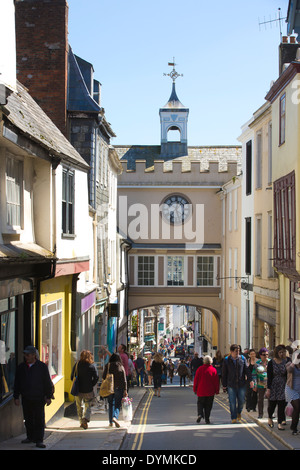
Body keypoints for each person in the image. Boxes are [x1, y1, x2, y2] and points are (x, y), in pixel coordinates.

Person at [13, 346, 53, 448]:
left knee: (39, 419)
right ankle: (30, 436)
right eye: (25, 355)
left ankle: (39, 439)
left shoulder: (42, 367)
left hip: (39, 397)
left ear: (34, 355)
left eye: (28, 355)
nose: (26, 357)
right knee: (28, 418)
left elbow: (47, 382)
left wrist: (48, 396)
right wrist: (16, 396)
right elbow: (17, 382)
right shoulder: (21, 367)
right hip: (26, 397)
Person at [222, 344, 254, 423]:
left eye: (239, 350)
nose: (238, 352)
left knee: (241, 401)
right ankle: (233, 417)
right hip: (231, 385)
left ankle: (239, 412)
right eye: (236, 351)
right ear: (231, 352)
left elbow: (247, 370)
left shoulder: (242, 359)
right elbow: (224, 373)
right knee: (232, 402)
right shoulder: (227, 360)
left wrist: (250, 380)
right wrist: (224, 385)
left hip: (241, 384)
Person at [71, 349, 99, 430]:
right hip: (88, 389)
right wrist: (92, 384)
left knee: (79, 406)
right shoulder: (92, 366)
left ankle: (81, 421)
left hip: (78, 389)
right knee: (88, 405)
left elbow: (72, 376)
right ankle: (85, 419)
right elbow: (96, 377)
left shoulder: (77, 364)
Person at [265, 344, 287, 430]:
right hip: (274, 385)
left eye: (283, 352)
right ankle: (270, 417)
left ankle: (279, 423)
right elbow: (269, 376)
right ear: (276, 353)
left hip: (283, 385)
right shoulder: (271, 363)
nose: (282, 354)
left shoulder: (285, 362)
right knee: (272, 405)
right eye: (280, 352)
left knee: (281, 404)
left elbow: (287, 374)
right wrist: (268, 389)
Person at [102, 353, 127, 427]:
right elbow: (124, 379)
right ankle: (115, 417)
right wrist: (125, 389)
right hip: (119, 387)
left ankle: (110, 422)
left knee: (111, 404)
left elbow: (103, 376)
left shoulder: (108, 366)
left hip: (109, 388)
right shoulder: (120, 366)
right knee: (117, 404)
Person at [193, 355, 219, 424]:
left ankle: (200, 414)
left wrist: (195, 388)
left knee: (200, 403)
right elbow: (216, 381)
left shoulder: (199, 369)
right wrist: (217, 390)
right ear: (211, 362)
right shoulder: (213, 370)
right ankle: (207, 419)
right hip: (210, 391)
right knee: (208, 405)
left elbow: (196, 380)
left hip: (201, 390)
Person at [285, 349, 300, 435]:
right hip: (291, 389)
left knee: (298, 409)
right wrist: (294, 361)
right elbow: (289, 370)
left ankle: (295, 427)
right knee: (297, 407)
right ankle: (294, 428)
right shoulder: (289, 364)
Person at [256, 348, 270, 419]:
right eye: (264, 355)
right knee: (260, 399)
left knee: (270, 399)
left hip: (269, 384)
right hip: (261, 384)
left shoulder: (271, 362)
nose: (266, 356)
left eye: (267, 354)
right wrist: (254, 384)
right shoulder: (257, 363)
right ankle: (260, 414)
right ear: (260, 355)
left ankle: (270, 414)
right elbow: (254, 374)